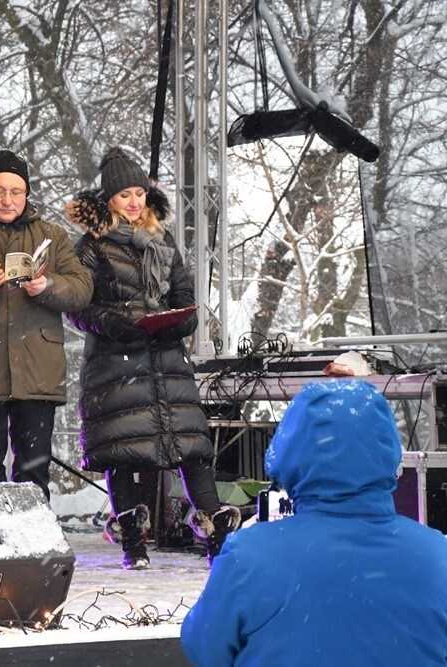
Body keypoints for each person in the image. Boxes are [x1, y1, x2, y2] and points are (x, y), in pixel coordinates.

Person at [181, 379, 447, 666]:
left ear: (289, 453)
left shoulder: (249, 555)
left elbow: (205, 649)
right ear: (387, 452)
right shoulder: (437, 555)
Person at [65, 147, 239, 570]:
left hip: (166, 361)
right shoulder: (90, 246)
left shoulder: (163, 240)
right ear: (108, 199)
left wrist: (181, 322)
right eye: (124, 194)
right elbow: (76, 306)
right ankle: (133, 548)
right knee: (123, 452)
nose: (134, 201)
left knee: (192, 448)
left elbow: (184, 295)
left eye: (139, 192)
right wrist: (118, 323)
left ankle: (219, 540)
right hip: (115, 363)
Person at [0, 150, 92, 499]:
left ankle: (34, 543)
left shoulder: (51, 235)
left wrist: (48, 286)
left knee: (34, 469)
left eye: (16, 191)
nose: (8, 200)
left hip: (38, 371)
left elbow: (83, 288)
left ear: (27, 195)